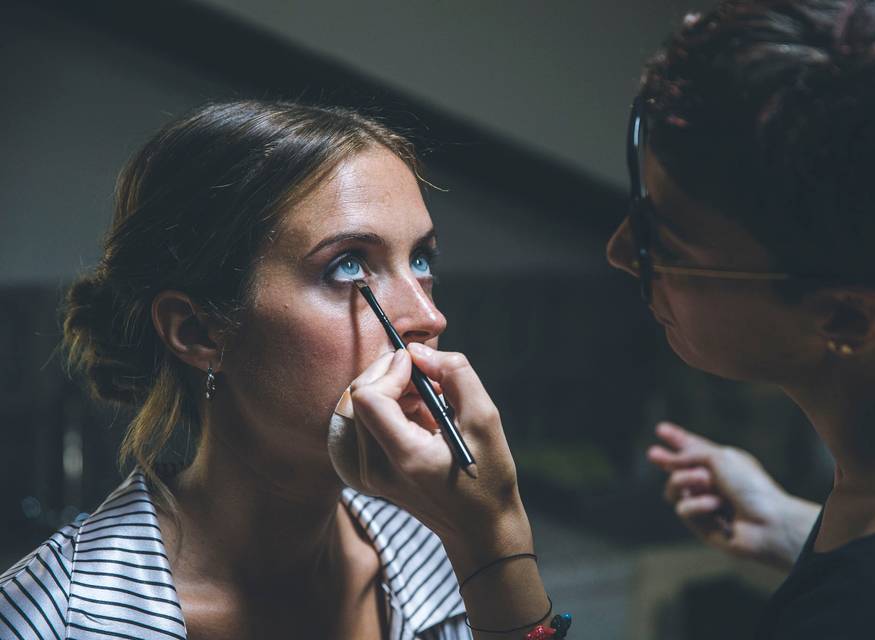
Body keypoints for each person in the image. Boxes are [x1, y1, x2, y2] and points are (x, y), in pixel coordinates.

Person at [340, 0, 875, 637]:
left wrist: (491, 536)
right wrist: (795, 528)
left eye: (663, 245)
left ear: (848, 319)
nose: (618, 254)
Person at [0, 100, 548, 640]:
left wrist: (497, 539)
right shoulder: (45, 621)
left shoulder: (451, 553)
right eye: (348, 264)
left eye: (421, 260)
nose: (430, 317)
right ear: (198, 331)